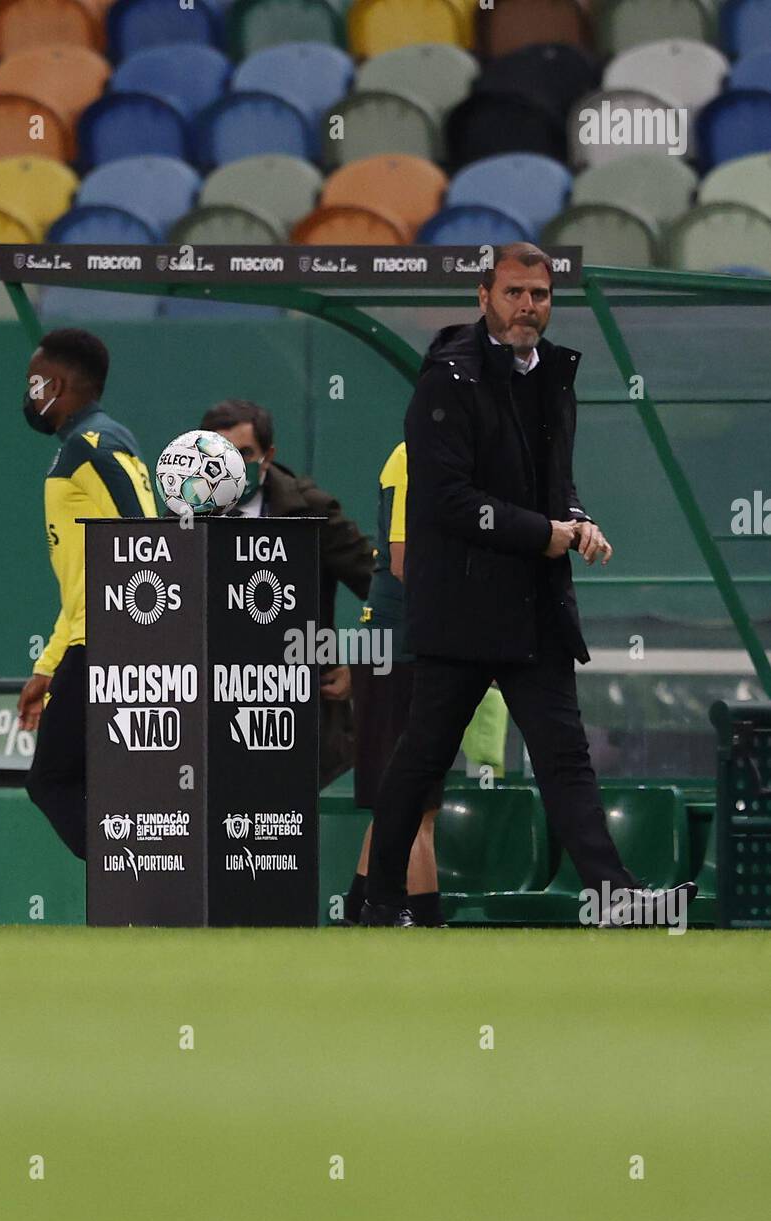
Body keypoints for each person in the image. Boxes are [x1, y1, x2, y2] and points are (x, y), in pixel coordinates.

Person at [361, 243, 696, 928]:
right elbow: (449, 500)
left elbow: (555, 484)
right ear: (483, 295)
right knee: (420, 762)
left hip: (532, 606)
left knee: (566, 758)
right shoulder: (445, 381)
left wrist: (578, 520)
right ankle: (380, 901)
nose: (527, 307)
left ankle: (616, 900)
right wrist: (545, 533)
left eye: (539, 295)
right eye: (514, 293)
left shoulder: (553, 376)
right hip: (459, 609)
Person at [344, 440, 509, 928]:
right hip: (396, 650)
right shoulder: (410, 456)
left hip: (425, 650)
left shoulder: (469, 463)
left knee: (411, 803)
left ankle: (361, 911)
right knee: (412, 804)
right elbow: (405, 562)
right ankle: (418, 917)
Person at [17, 329, 157, 858]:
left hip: (104, 644)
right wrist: (47, 666)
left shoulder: (90, 447)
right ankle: (142, 875)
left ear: (54, 384)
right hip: (94, 641)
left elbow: (147, 540)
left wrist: (134, 642)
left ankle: (140, 870)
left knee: (51, 780)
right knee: (90, 781)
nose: (28, 394)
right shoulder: (99, 442)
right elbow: (81, 581)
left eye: (33, 383)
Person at [199, 398, 374, 788]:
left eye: (244, 453)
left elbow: (381, 589)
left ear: (267, 455)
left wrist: (359, 669)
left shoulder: (311, 510)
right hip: (213, 715)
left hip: (296, 716)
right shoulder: (186, 512)